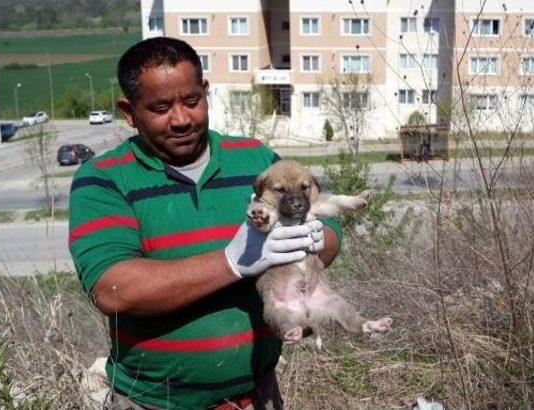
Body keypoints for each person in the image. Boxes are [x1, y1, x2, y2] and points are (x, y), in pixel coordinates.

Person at [68, 37, 342, 410]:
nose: (181, 119)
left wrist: (309, 236)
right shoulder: (103, 179)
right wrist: (232, 261)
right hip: (154, 403)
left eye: (191, 101)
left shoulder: (254, 159)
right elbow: (114, 289)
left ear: (206, 92)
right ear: (129, 111)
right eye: (161, 107)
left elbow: (330, 233)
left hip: (257, 396)